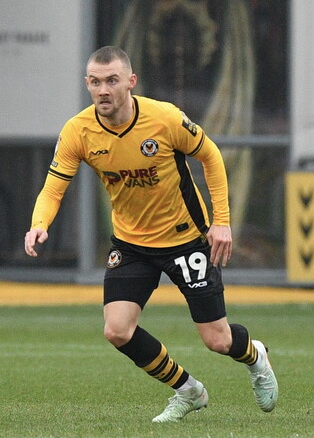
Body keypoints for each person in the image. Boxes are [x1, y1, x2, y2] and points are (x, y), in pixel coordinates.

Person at [24, 46, 278, 423]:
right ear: (87, 85)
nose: (103, 90)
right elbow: (53, 187)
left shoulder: (164, 118)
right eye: (95, 82)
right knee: (117, 331)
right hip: (131, 244)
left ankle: (255, 356)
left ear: (131, 81)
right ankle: (188, 390)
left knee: (218, 341)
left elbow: (210, 156)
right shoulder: (78, 130)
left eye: (112, 80)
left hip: (186, 239)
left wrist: (221, 221)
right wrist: (39, 224)